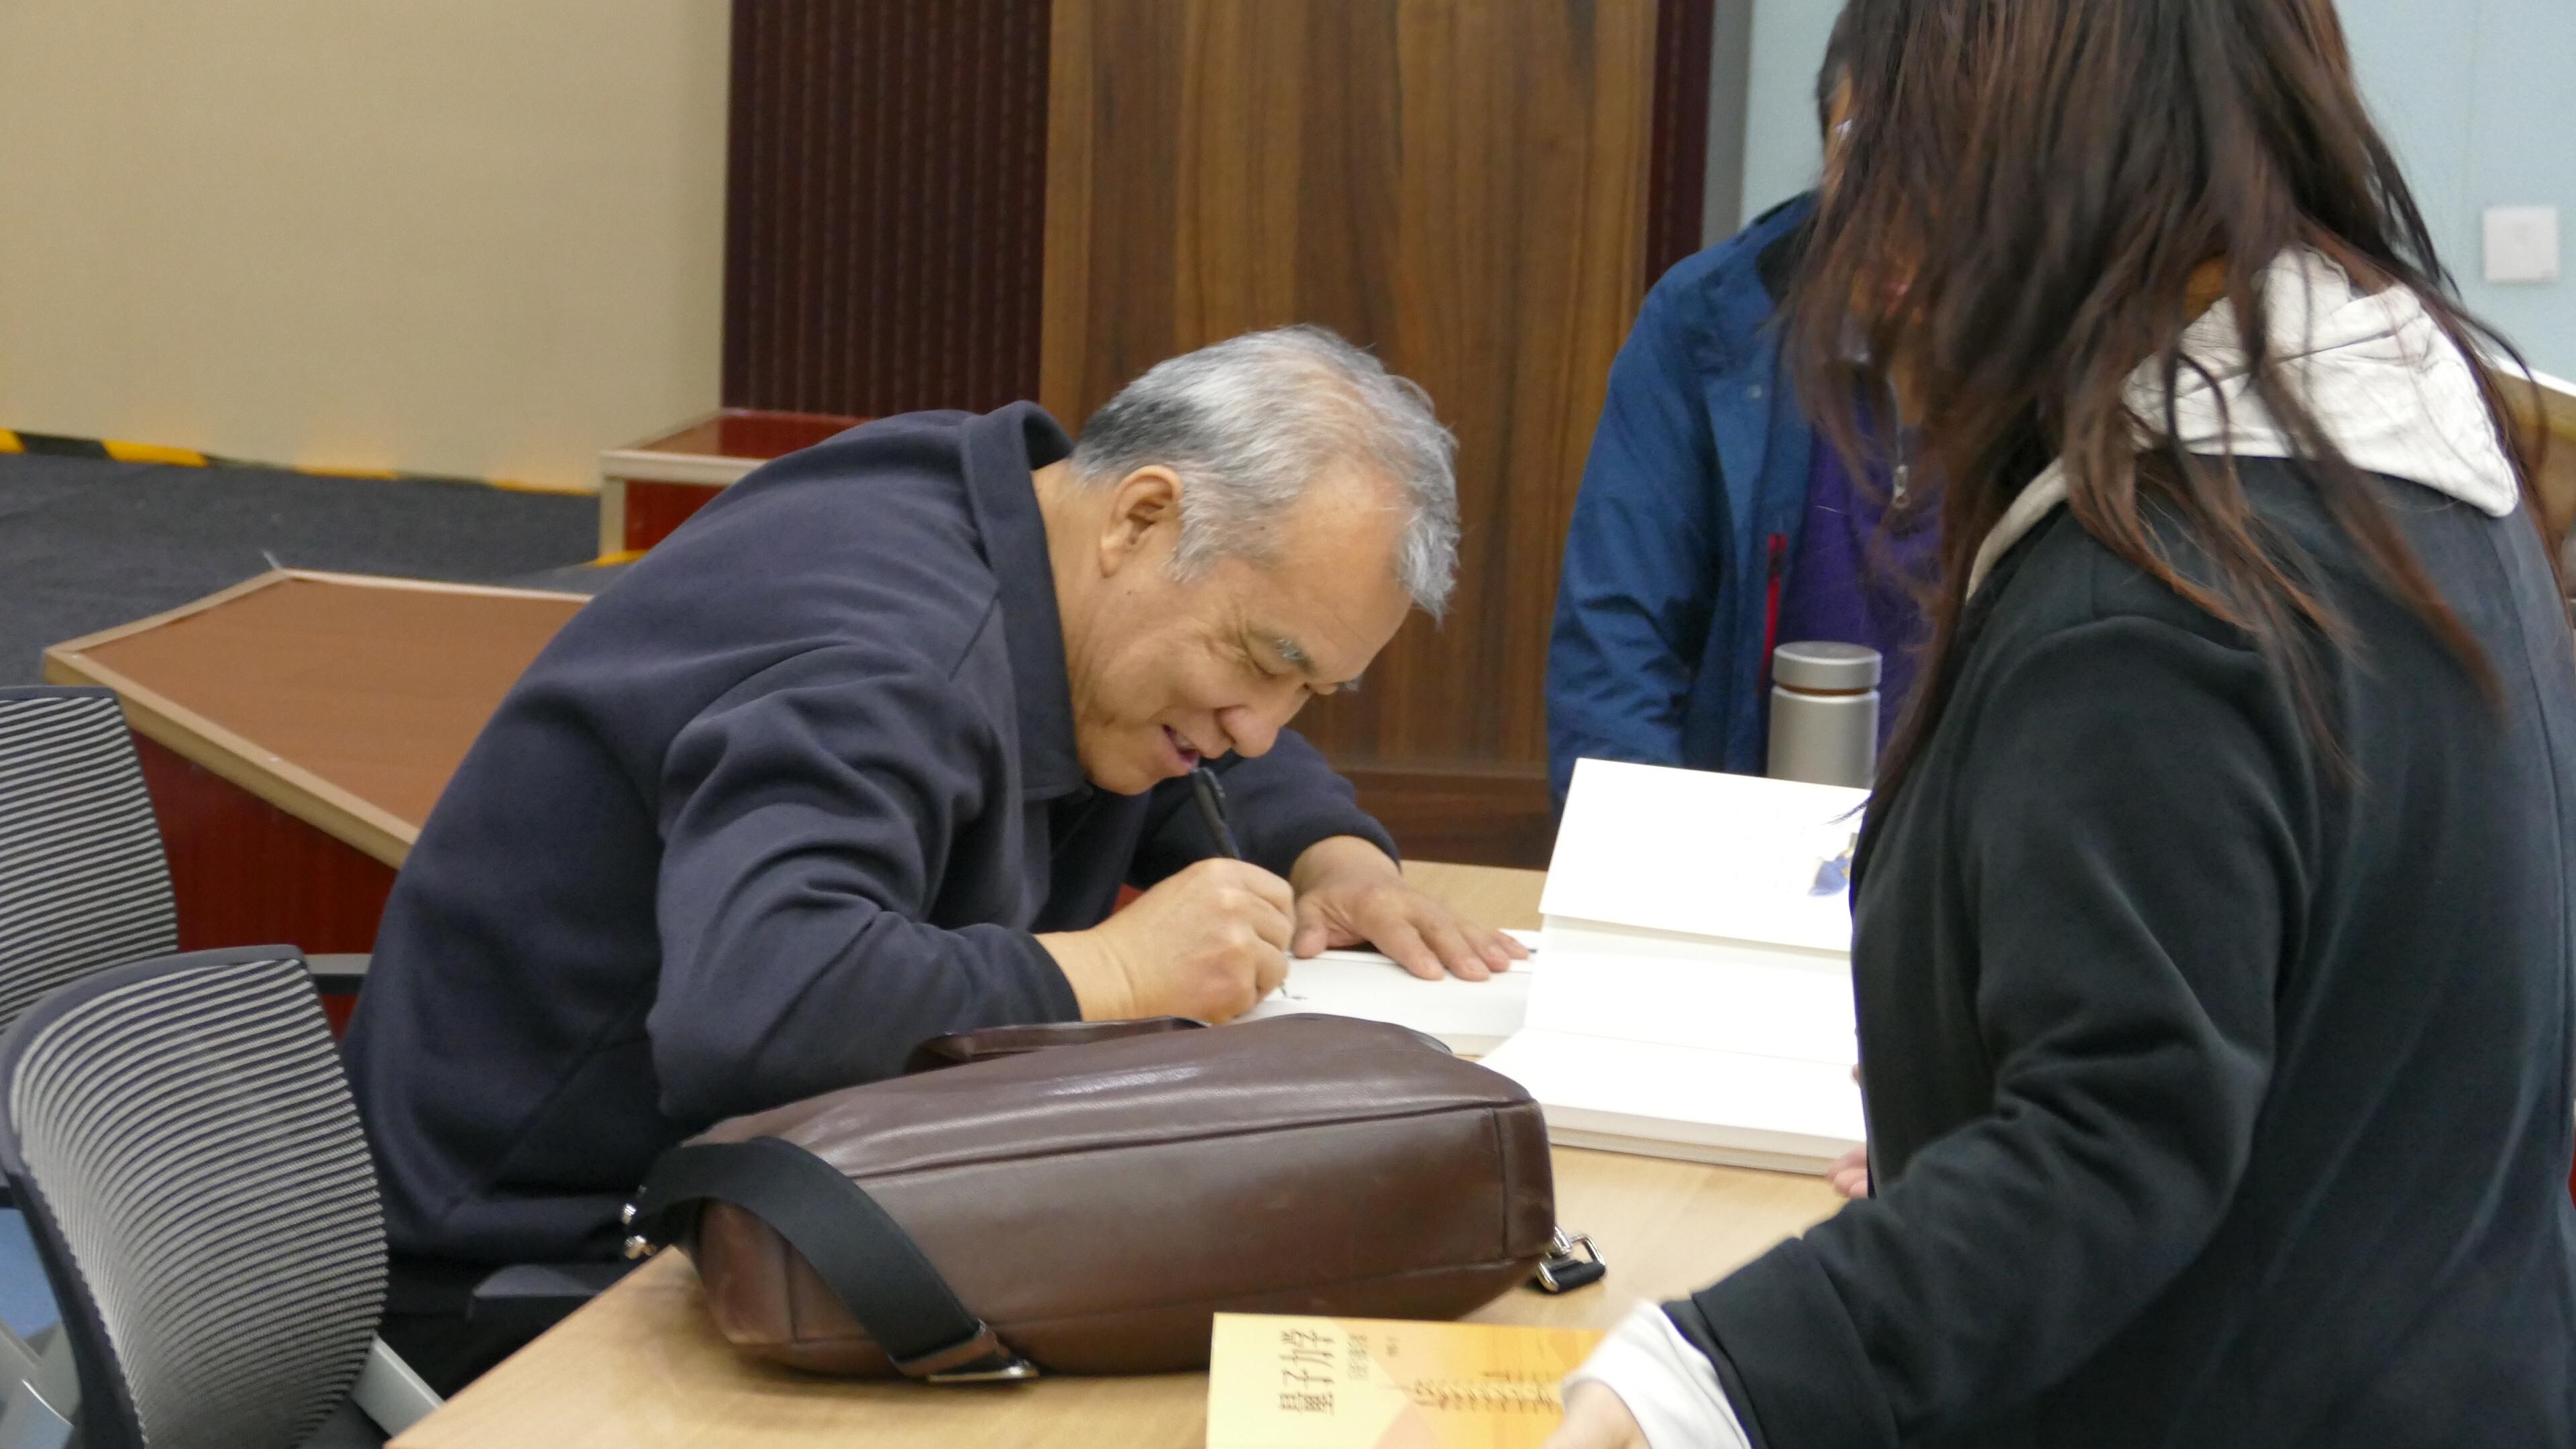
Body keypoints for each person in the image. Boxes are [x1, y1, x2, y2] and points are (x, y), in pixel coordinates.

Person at [1548, 0, 2576, 1445]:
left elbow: (2117, 1140)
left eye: (1899, 187)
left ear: (2027, 181)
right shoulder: (2411, 485)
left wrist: (1693, 1382)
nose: (1875, 276)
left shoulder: (2155, 603)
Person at [343, 325, 1526, 1388]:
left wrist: (1332, 855)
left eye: (1311, 688)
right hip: (530, 1275)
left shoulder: (1026, 518)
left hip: (750, 1203)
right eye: (1265, 662)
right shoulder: (879, 661)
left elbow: (1187, 733)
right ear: (1141, 519)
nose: (1262, 728)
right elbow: (762, 1006)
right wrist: (1111, 973)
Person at [1546, 12, 1929, 812]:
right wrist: (1643, 868)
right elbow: (1617, 652)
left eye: (1947, 165)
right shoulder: (1710, 320)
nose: (1900, 214)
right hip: (1745, 844)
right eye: (1865, 156)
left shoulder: (2084, 350)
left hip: (1975, 855)